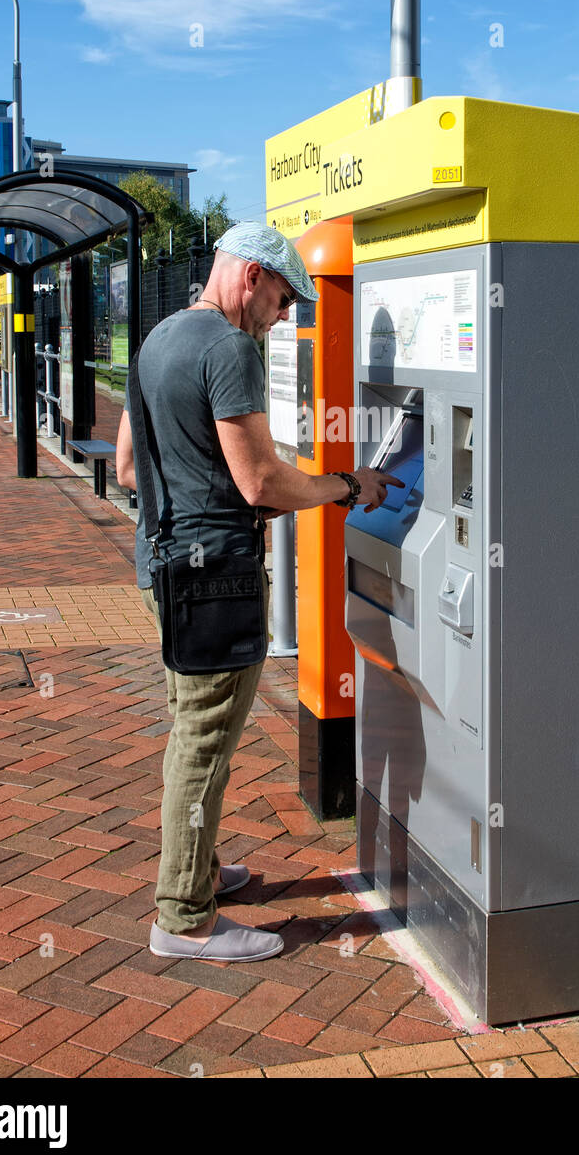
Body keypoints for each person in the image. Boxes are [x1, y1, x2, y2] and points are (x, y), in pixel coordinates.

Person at [115, 221, 401, 963]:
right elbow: (260, 481)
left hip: (163, 571)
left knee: (191, 727)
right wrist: (347, 486)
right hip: (213, 579)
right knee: (203, 744)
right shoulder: (228, 348)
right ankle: (183, 918)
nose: (281, 318)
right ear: (249, 276)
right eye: (280, 300)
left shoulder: (158, 339)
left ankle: (201, 871)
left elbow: (125, 468)